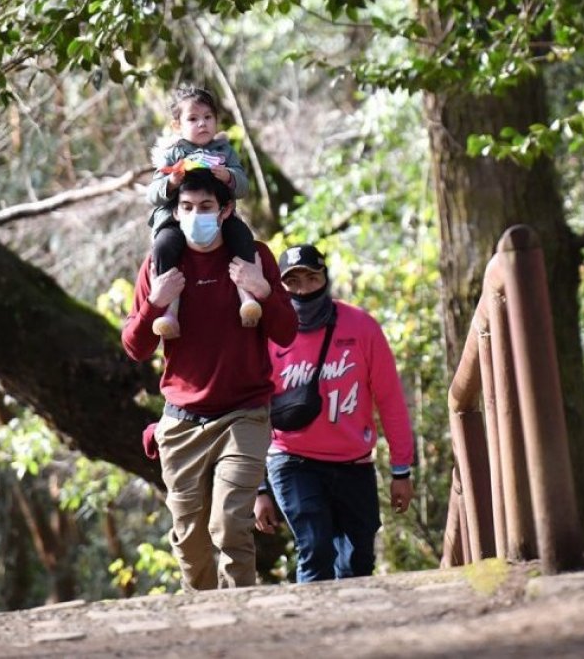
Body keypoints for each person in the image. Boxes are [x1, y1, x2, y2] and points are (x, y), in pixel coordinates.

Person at [122, 169, 297, 590]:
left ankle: (242, 617)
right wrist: (155, 304)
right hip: (182, 421)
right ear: (175, 212)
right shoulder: (160, 265)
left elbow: (287, 332)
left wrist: (263, 291)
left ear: (226, 210)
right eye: (186, 208)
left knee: (231, 525)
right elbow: (135, 346)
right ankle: (200, 620)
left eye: (205, 208)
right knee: (190, 540)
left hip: (244, 414)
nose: (196, 216)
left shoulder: (253, 257)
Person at [252, 244, 416, 583]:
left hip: (353, 463)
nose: (303, 289)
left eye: (312, 278)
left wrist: (401, 470)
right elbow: (252, 414)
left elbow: (390, 401)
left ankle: (356, 631)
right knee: (315, 547)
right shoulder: (265, 335)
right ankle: (314, 632)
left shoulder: (362, 328)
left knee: (358, 561)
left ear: (325, 279)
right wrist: (260, 489)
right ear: (279, 287)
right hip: (292, 459)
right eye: (293, 282)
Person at [147, 84, 260, 338]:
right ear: (177, 126)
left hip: (219, 218)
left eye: (208, 117)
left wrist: (229, 176)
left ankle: (247, 297)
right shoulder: (172, 153)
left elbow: (243, 187)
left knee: (241, 236)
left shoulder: (225, 151)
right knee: (164, 246)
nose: (202, 124)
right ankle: (170, 312)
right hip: (176, 222)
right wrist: (172, 182)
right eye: (193, 118)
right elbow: (151, 194)